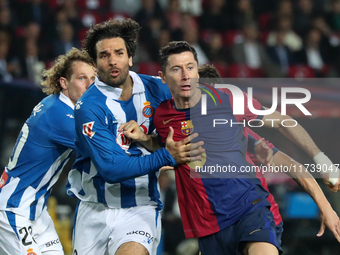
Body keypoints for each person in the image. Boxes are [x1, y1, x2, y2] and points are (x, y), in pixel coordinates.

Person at [153, 41, 340, 255]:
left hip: (251, 210)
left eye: (191, 67)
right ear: (164, 77)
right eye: (177, 69)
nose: (186, 75)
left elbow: (286, 140)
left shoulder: (239, 123)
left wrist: (322, 168)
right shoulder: (164, 117)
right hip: (209, 226)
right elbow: (167, 151)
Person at [66, 18, 203, 255]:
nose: (112, 61)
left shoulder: (156, 89)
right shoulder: (89, 107)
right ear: (95, 64)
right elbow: (111, 168)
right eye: (104, 55)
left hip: (140, 206)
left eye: (119, 53)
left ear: (130, 57)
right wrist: (166, 157)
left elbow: (184, 128)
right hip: (94, 210)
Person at [198, 63, 340, 242]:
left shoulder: (247, 138)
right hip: (214, 221)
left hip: (254, 213)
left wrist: (325, 203)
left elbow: (292, 159)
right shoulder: (181, 132)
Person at [0, 47, 96, 255]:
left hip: (36, 210)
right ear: (64, 82)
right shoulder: (59, 115)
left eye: (93, 79)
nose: (90, 86)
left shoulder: (55, 104)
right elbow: (101, 154)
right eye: (82, 78)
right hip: (14, 208)